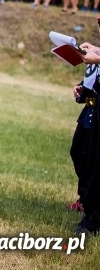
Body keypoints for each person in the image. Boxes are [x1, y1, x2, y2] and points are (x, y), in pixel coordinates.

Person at [75, 41, 100, 236]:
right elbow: (93, 94)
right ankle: (88, 207)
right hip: (94, 109)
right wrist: (83, 94)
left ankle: (94, 219)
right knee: (85, 157)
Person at [68, 60, 98, 217]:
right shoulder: (95, 53)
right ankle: (84, 198)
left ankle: (87, 201)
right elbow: (92, 80)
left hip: (96, 114)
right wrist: (82, 90)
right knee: (77, 152)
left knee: (91, 158)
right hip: (89, 112)